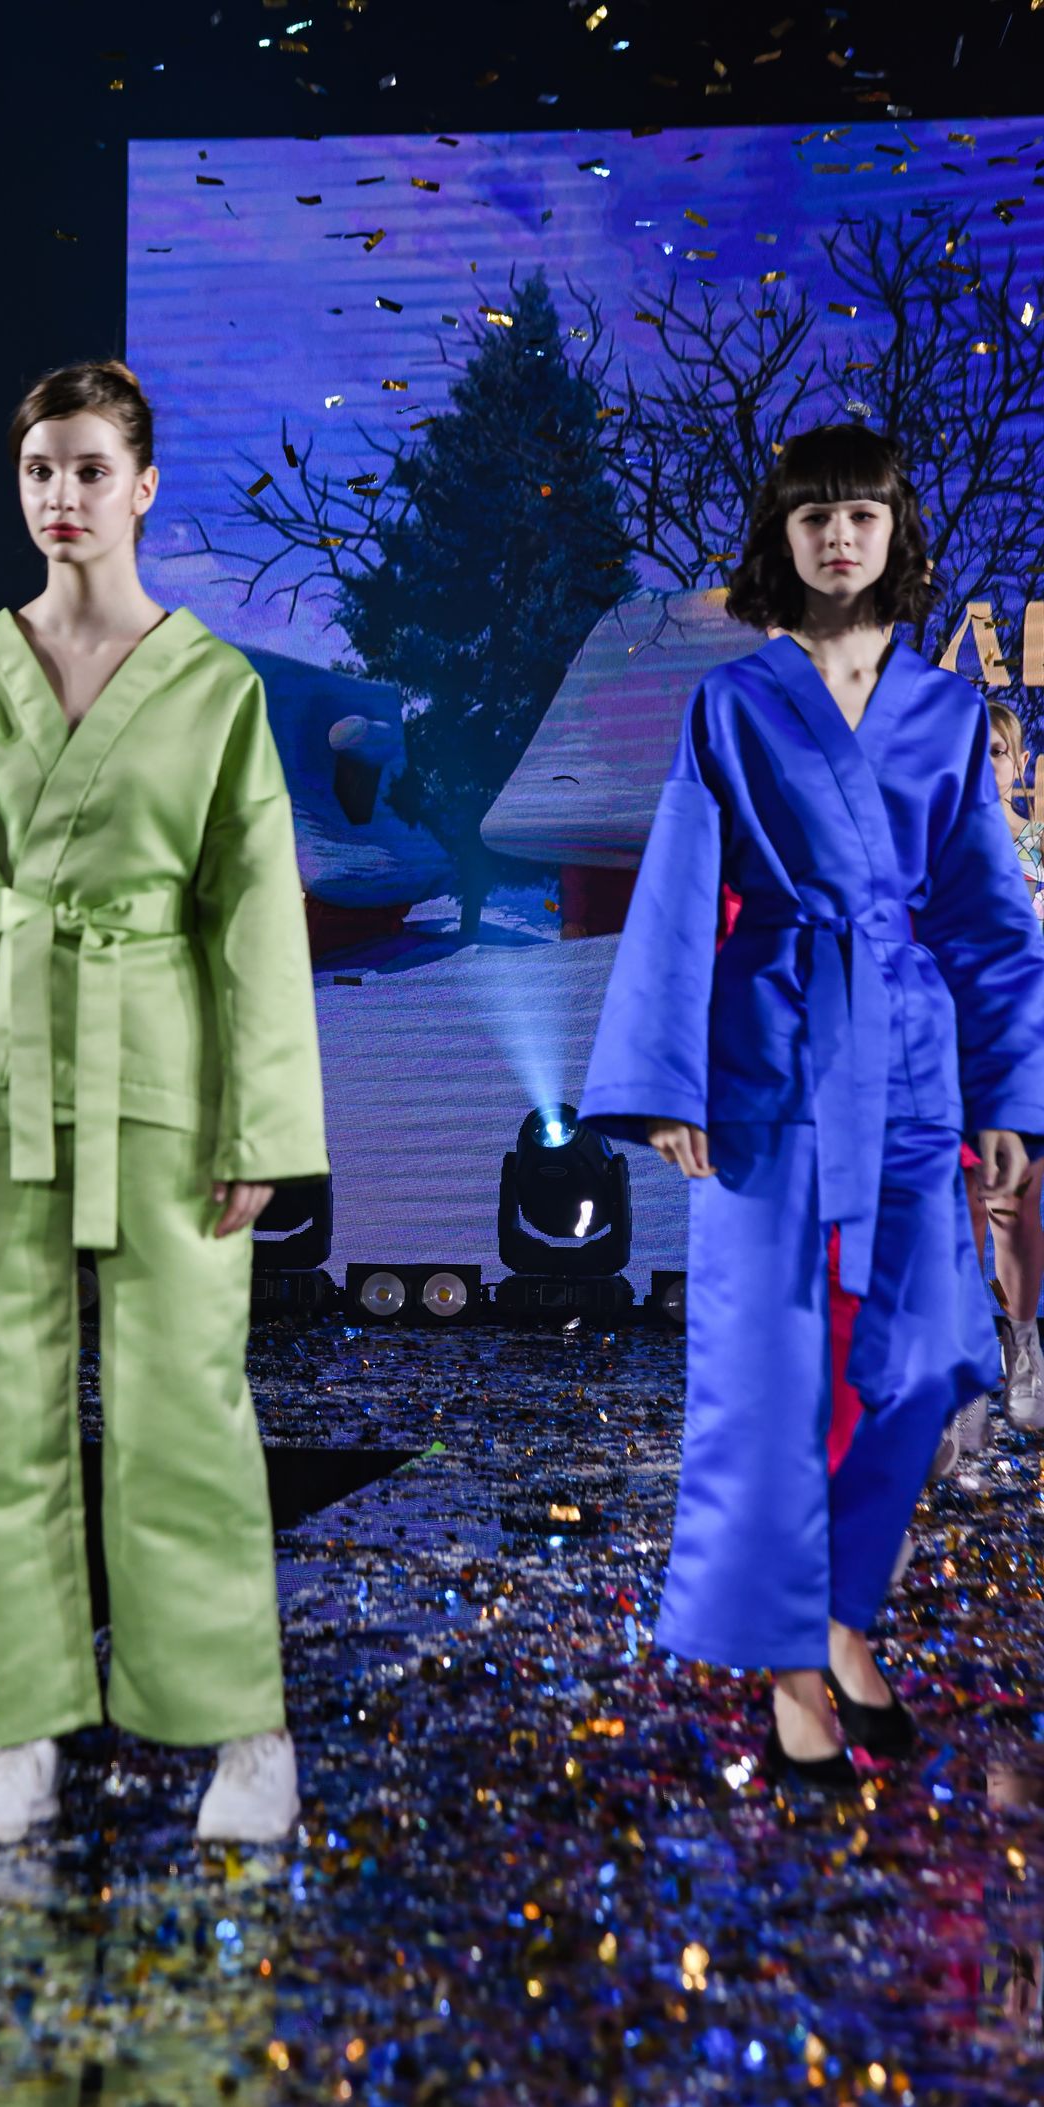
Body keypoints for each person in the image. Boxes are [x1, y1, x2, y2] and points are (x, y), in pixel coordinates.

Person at [0, 360, 328, 1846]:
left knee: (188, 1411)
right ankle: (14, 1729)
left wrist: (263, 1124)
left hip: (165, 1080)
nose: (63, 494)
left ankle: (244, 1728)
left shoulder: (217, 688)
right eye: (41, 468)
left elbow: (254, 914)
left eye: (92, 468)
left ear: (145, 485)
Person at [580, 425, 1044, 1790]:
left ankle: (841, 1613)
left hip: (912, 1060)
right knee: (773, 1374)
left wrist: (1009, 1095)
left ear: (896, 534)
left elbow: (987, 918)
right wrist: (666, 1081)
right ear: (781, 539)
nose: (840, 537)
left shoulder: (948, 712)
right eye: (813, 517)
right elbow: (681, 887)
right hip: (772, 1052)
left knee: (930, 1356)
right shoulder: (733, 703)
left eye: (862, 515)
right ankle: (794, 1676)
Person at [960, 703, 1044, 1429]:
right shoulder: (932, 848)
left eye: (995, 751)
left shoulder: (1039, 850)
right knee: (957, 1217)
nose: (982, 763)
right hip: (951, 1049)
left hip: (1022, 1049)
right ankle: (963, 1374)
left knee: (1012, 1206)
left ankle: (1023, 1347)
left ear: (1018, 764)